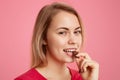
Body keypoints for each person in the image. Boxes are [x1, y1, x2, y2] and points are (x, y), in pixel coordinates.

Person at [15, 2, 99, 80]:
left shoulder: (84, 77)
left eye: (77, 32)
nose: (73, 41)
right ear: (43, 38)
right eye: (62, 33)